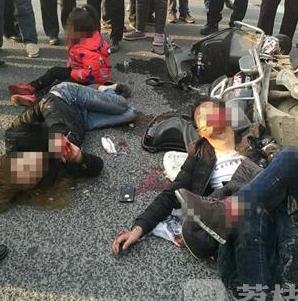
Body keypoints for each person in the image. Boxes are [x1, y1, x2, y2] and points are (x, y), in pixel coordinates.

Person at [174, 147, 298, 301]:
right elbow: (171, 195)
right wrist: (140, 226)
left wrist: (268, 153)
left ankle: (228, 212)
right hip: (244, 271)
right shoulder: (203, 154)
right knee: (248, 216)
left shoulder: (255, 145)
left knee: (293, 155)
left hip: (285, 248)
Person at [112, 98, 262, 259]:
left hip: (261, 195)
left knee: (274, 167)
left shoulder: (253, 139)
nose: (207, 116)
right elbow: (172, 193)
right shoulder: (199, 155)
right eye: (201, 116)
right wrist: (138, 229)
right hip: (232, 209)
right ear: (200, 132)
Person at [0, 81, 136, 212]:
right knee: (130, 114)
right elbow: (97, 167)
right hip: (82, 122)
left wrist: (56, 133)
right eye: (35, 176)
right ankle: (96, 95)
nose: (37, 165)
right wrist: (80, 157)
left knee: (121, 104)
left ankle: (102, 89)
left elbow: (46, 101)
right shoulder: (49, 173)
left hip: (66, 97)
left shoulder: (16, 136)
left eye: (27, 165)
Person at [8, 5, 114, 106]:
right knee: (54, 71)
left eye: (70, 27)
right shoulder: (81, 38)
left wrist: (73, 73)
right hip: (78, 72)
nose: (67, 29)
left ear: (80, 30)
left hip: (89, 81)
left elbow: (91, 74)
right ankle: (31, 87)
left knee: (60, 85)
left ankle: (38, 98)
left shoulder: (90, 50)